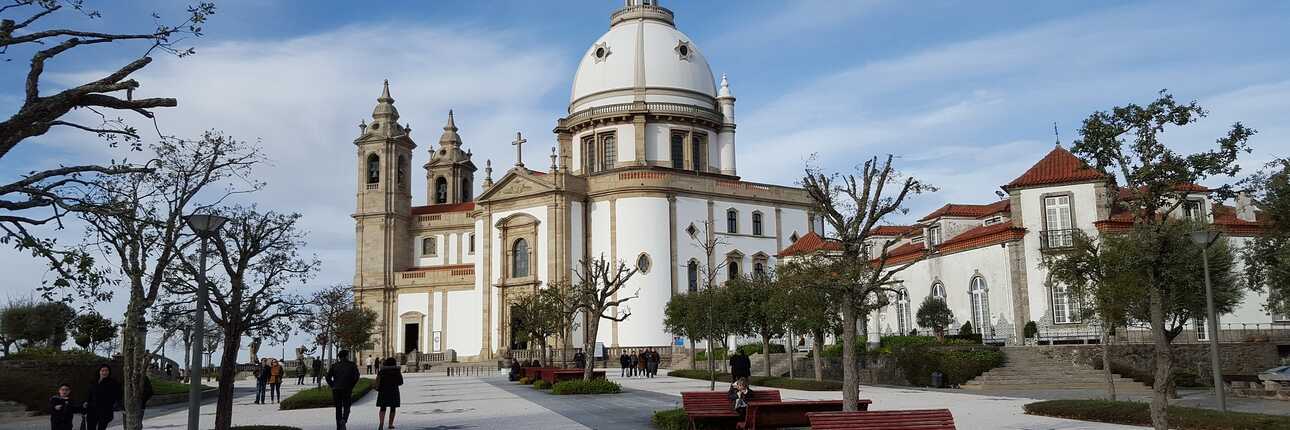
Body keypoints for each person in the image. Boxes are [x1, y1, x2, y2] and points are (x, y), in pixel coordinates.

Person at [327, 349, 361, 430]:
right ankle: (344, 420)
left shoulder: (334, 365)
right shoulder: (352, 365)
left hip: (336, 389)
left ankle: (338, 427)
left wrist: (333, 385)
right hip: (346, 389)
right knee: (347, 406)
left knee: (338, 409)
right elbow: (356, 377)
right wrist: (351, 385)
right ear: (346, 356)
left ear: (339, 357)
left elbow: (328, 377)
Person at [85, 364, 121, 430]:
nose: (104, 372)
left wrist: (115, 405)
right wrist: (86, 402)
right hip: (92, 409)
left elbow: (117, 395)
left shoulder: (113, 382)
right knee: (90, 427)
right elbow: (89, 394)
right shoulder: (93, 382)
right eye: (102, 370)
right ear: (99, 371)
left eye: (106, 370)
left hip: (105, 410)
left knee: (101, 428)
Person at [375, 357, 403, 430]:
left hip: (383, 391)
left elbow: (378, 381)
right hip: (393, 391)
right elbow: (400, 382)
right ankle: (390, 424)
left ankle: (381, 424)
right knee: (393, 408)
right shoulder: (396, 371)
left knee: (382, 408)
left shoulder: (382, 371)